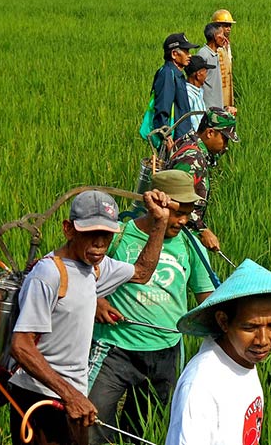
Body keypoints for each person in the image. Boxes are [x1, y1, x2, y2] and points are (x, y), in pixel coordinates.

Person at [7, 190, 172, 445]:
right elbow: (21, 346)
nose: (99, 243)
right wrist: (70, 395)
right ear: (68, 230)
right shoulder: (49, 274)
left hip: (71, 400)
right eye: (90, 234)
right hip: (38, 397)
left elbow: (141, 273)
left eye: (106, 235)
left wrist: (160, 223)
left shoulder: (95, 268)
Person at [87, 171, 215, 444]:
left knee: (141, 433)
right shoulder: (119, 237)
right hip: (113, 348)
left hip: (165, 352)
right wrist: (96, 301)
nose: (182, 221)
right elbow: (81, 278)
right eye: (177, 212)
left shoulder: (191, 246)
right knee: (90, 425)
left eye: (188, 214)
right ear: (154, 204)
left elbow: (206, 297)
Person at [166, 259, 271, 445]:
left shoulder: (240, 359)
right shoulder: (201, 384)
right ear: (223, 322)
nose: (262, 340)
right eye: (250, 327)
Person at [165, 107, 239, 252]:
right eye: (225, 139)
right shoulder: (192, 159)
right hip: (177, 235)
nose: (226, 146)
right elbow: (176, 202)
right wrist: (203, 230)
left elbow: (210, 158)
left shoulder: (191, 140)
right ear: (210, 132)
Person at [152, 33, 200, 145]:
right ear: (174, 54)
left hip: (182, 138)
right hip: (174, 141)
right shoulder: (167, 74)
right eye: (186, 51)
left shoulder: (177, 74)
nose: (190, 55)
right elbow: (162, 109)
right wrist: (166, 138)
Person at [196, 23, 227, 112]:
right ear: (215, 36)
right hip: (208, 108)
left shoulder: (215, 54)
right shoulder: (203, 55)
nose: (224, 38)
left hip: (217, 107)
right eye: (222, 34)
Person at [211, 9, 236, 110]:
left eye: (230, 25)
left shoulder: (227, 45)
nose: (229, 28)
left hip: (227, 91)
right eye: (225, 25)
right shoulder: (214, 48)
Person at [184, 55, 216, 132]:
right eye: (205, 72)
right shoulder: (188, 95)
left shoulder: (198, 91)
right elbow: (185, 123)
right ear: (198, 74)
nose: (206, 75)